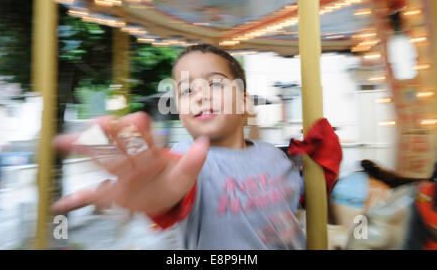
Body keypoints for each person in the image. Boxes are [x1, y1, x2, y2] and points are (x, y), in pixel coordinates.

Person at [52, 44, 341, 249]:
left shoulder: (274, 157)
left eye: (215, 84)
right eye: (187, 90)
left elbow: (306, 192)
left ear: (245, 101)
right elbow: (172, 182)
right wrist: (155, 189)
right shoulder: (187, 159)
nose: (200, 96)